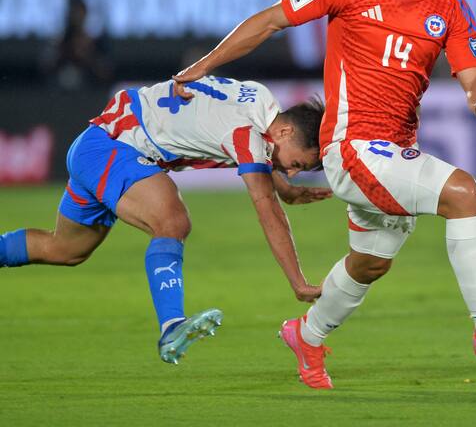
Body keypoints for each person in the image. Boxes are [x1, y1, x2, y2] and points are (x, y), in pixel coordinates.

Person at [173, 0, 476, 390]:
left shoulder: (452, 6)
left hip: (393, 150)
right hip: (350, 147)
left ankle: (307, 334)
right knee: (463, 193)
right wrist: (204, 65)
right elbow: (270, 21)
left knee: (370, 263)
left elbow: (471, 72)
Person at [0, 76, 331, 364]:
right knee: (172, 222)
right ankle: (172, 325)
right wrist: (297, 281)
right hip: (114, 150)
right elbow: (267, 209)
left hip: (100, 144)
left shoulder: (260, 99)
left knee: (65, 249)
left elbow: (256, 152)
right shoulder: (249, 136)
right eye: (297, 163)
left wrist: (285, 187)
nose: (291, 171)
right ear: (285, 130)